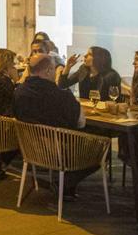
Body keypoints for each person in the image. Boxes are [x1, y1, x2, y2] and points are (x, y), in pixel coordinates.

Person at [13, 53, 93, 199]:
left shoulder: (19, 92)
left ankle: (65, 185)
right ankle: (64, 183)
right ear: (49, 71)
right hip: (60, 151)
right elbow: (80, 123)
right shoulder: (62, 96)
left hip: (30, 148)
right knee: (99, 149)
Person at [59, 46, 124, 102]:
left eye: (89, 54)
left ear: (99, 58)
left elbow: (115, 100)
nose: (85, 56)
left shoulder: (112, 76)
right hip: (85, 109)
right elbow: (62, 85)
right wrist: (68, 66)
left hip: (103, 112)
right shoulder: (83, 69)